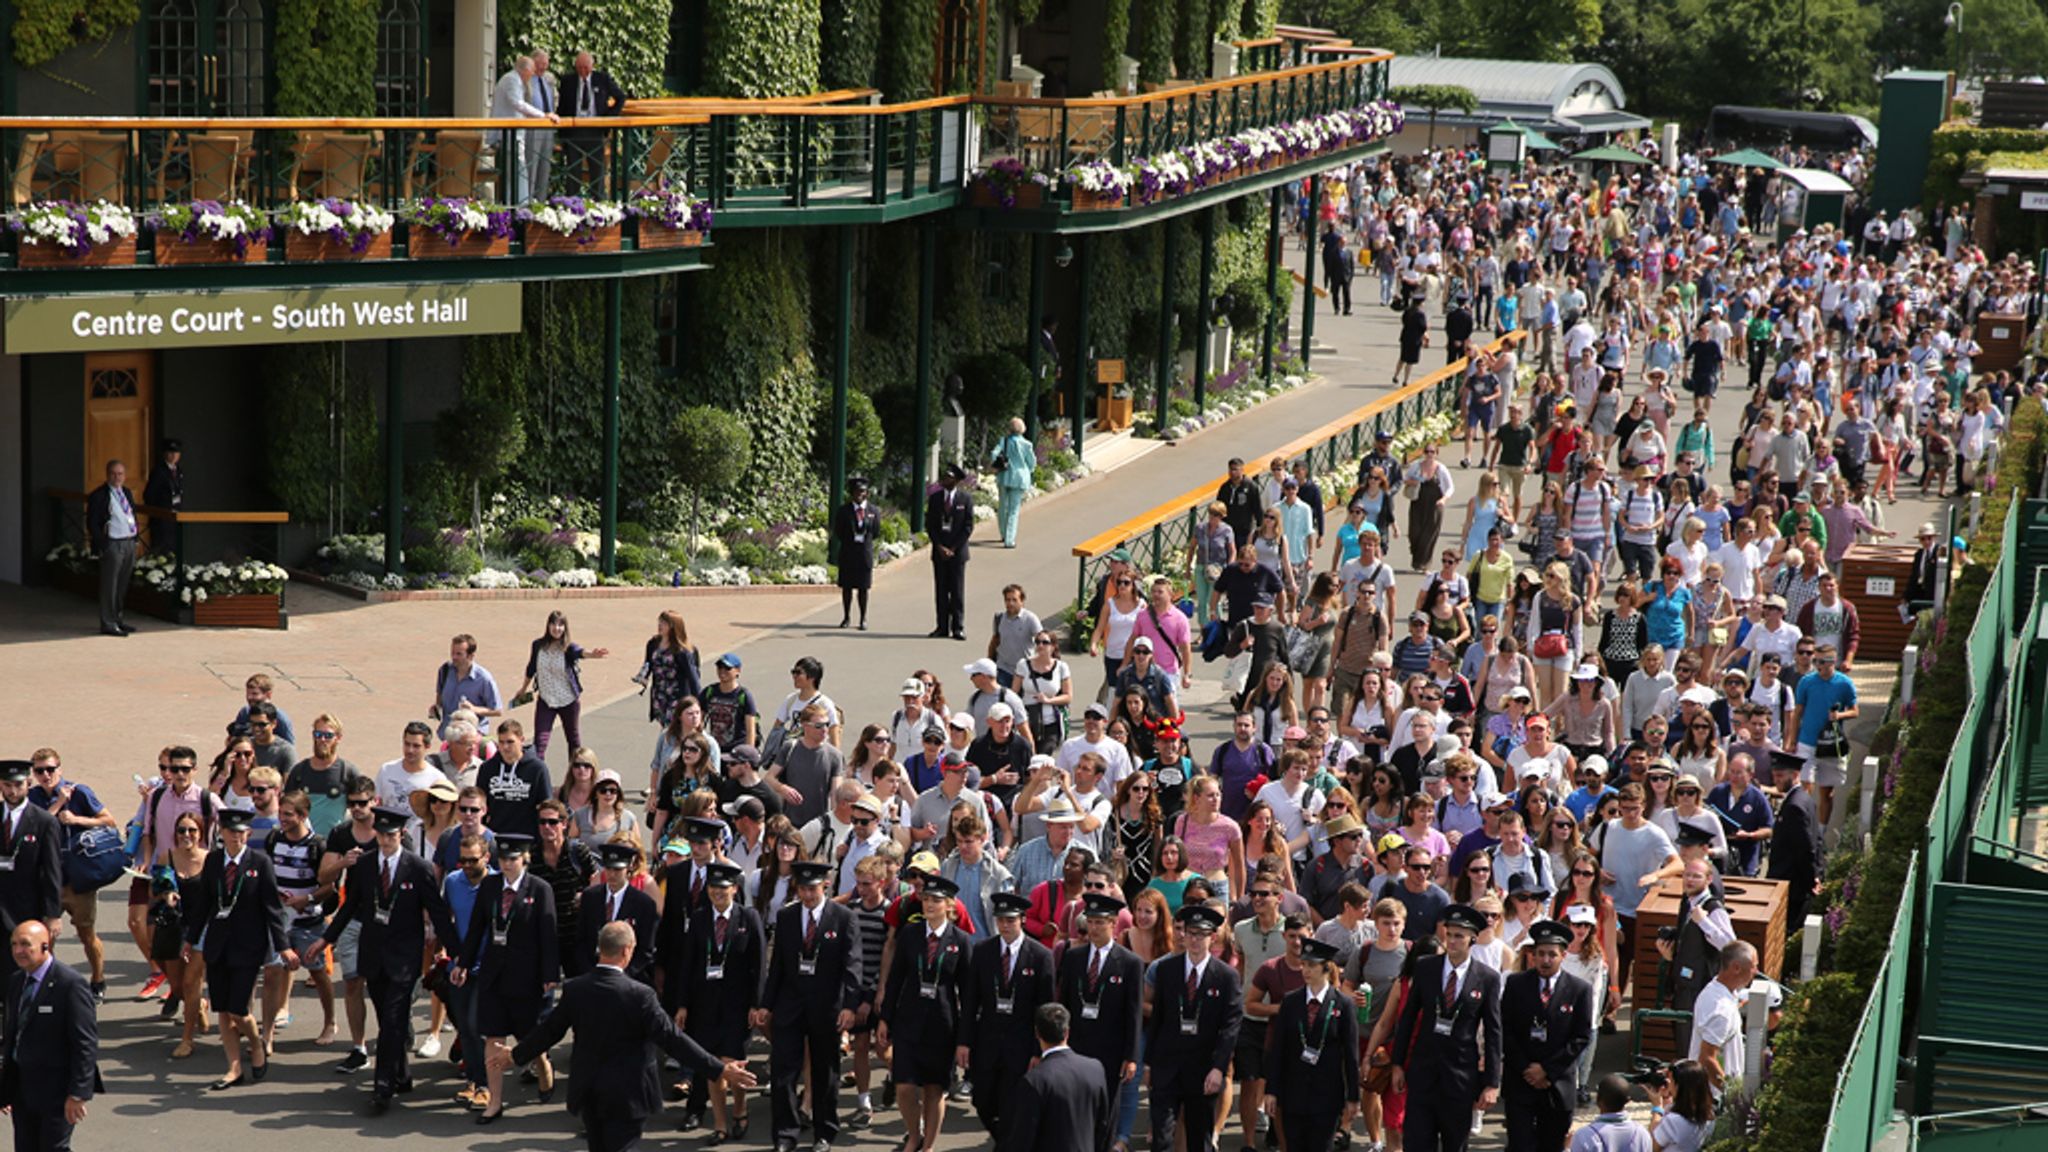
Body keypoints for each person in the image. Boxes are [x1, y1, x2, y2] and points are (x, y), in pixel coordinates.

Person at [494, 920, 757, 1152]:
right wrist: (720, 1069)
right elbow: (673, 1040)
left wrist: (516, 1055)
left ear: (600, 948)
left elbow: (549, 1031)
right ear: (627, 951)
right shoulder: (640, 995)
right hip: (628, 1095)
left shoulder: (576, 989)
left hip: (589, 1092)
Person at [304, 804, 459, 1114]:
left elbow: (438, 914)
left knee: (391, 1020)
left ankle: (382, 1087)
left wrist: (457, 952)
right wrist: (325, 939)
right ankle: (401, 1074)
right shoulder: (363, 866)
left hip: (404, 957)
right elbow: (350, 907)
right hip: (373, 953)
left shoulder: (418, 868)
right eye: (381, 833)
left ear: (401, 834)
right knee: (390, 1019)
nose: (385, 840)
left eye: (391, 834)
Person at [179, 807, 291, 1091]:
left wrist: (283, 948)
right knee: (223, 1011)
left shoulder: (259, 862)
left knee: (239, 1009)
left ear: (248, 834)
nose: (236, 837)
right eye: (231, 832)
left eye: (241, 832)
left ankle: (255, 1044)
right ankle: (233, 1067)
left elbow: (273, 909)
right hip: (218, 944)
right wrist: (191, 939)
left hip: (248, 945)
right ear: (223, 834)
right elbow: (204, 903)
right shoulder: (214, 861)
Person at [758, 859, 864, 1152]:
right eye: (802, 889)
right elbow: (777, 964)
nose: (807, 895)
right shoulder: (787, 917)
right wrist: (767, 1004)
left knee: (825, 1072)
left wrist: (849, 1006)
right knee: (783, 1072)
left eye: (812, 889)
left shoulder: (843, 918)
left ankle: (824, 1132)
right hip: (790, 1005)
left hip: (827, 1006)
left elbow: (852, 965)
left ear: (826, 885)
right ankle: (785, 1134)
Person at [453, 833, 559, 1123]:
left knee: (529, 1035)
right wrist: (463, 962)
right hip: (493, 974)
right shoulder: (489, 885)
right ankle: (495, 1101)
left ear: (524, 858)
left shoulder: (540, 889)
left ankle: (543, 1065)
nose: (508, 864)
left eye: (513, 859)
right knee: (494, 1036)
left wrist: (550, 974)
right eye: (503, 859)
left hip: (526, 976)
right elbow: (477, 928)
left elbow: (548, 935)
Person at [1389, 903, 1503, 1152]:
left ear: (1472, 938)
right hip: (1423, 1071)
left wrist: (1492, 1082)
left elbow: (1494, 1032)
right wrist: (1397, 1063)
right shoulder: (1426, 967)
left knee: (1455, 1144)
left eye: (1459, 936)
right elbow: (1408, 1017)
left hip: (1460, 1076)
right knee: (1417, 1142)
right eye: (1449, 934)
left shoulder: (1487, 978)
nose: (1452, 941)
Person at [879, 872, 970, 1151]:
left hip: (942, 1024)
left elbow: (968, 995)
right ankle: (913, 1134)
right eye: (926, 899)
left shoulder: (961, 941)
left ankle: (928, 1145)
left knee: (934, 1088)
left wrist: (964, 1039)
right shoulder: (910, 934)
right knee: (905, 1086)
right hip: (909, 1020)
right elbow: (896, 978)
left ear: (949, 905)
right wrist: (885, 1018)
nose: (929, 905)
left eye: (936, 900)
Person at [1145, 902, 1243, 1152]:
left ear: (1212, 937)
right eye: (1190, 933)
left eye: (1201, 934)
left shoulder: (1225, 976)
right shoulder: (1166, 970)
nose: (1195, 940)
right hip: (1167, 1065)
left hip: (1202, 1069)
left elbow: (1230, 1026)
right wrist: (1149, 1062)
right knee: (1162, 1137)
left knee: (1200, 1137)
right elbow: (1157, 1018)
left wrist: (1219, 1067)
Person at [676, 860, 763, 1140]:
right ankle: (720, 1123)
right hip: (705, 1005)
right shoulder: (700, 918)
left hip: (737, 1007)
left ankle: (740, 1107)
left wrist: (756, 1003)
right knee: (714, 1066)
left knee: (733, 1063)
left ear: (734, 889)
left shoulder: (748, 918)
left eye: (723, 889)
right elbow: (687, 964)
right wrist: (682, 1004)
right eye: (713, 888)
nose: (718, 893)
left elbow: (759, 964)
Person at [960, 890, 1056, 1141]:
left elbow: (1044, 1008)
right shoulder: (982, 951)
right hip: (987, 1041)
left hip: (1021, 1043)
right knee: (983, 1100)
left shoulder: (1040, 956)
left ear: (1022, 919)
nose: (1004, 925)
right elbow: (970, 1001)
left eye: (1010, 920)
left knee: (1013, 1103)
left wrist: (1039, 1050)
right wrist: (964, 1042)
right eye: (1000, 919)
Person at [1, 921, 99, 1151]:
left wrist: (78, 1093)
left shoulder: (70, 984)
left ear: (46, 946)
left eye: (26, 945)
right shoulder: (16, 982)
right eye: (14, 944)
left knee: (54, 1147)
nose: (18, 951)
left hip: (57, 1090)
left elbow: (85, 1042)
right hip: (23, 1089)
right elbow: (13, 1035)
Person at [26, 750, 114, 999]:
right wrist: (57, 806)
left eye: (50, 769)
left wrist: (78, 819)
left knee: (86, 934)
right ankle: (45, 985)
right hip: (47, 879)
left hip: (78, 878)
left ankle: (98, 980)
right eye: (39, 771)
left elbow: (109, 821)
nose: (46, 775)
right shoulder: (31, 798)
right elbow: (32, 828)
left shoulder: (80, 792)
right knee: (45, 937)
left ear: (60, 770)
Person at [1500, 920, 1594, 1152]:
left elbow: (1580, 1037)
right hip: (1521, 1081)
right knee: (1520, 1145)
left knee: (1551, 1145)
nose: (1545, 960)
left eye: (1552, 954)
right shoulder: (1516, 983)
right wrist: (1527, 1068)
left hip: (1557, 1085)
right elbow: (1505, 1029)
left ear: (1563, 955)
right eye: (1540, 953)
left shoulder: (1579, 989)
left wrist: (1547, 1070)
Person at [1265, 935, 1361, 1152]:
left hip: (1327, 1095)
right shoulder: (1291, 1001)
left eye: (1312, 966)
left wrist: (1353, 1096)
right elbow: (1278, 1048)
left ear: (1326, 968)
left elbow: (1351, 1053)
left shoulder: (1343, 1004)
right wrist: (1271, 1090)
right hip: (1293, 1093)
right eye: (1303, 965)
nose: (1305, 970)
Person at [1059, 892, 1144, 1112]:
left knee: (1105, 1108)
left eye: (1100, 922)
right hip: (1077, 1045)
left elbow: (1133, 1012)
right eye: (1090, 921)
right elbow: (1064, 1002)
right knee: (1075, 1106)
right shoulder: (1073, 957)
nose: (1094, 928)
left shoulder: (1129, 963)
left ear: (1114, 923)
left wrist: (1131, 1056)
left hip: (1110, 1049)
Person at [1004, 1002, 1112, 1152]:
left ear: (1037, 1033)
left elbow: (1023, 1138)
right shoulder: (1095, 1068)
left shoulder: (1034, 1080)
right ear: (1067, 1032)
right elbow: (1103, 1125)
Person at [512, 610, 610, 759]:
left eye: (560, 625)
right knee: (540, 743)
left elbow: (580, 652)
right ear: (548, 625)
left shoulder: (568, 647)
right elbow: (531, 668)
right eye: (553, 624)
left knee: (573, 741)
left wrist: (592, 654)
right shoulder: (538, 645)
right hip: (546, 700)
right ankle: (539, 778)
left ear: (565, 628)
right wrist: (523, 689)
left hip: (568, 701)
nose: (556, 628)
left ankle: (576, 777)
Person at [0, 760, 63, 940]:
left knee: (23, 961)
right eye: (7, 785)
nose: (13, 791)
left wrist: (53, 914)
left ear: (28, 783)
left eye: (18, 785)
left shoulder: (44, 822)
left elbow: (52, 870)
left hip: (26, 908)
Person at [1686, 941, 1755, 1101]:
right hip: (1715, 1100)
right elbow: (1707, 1058)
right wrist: (1731, 1095)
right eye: (1753, 966)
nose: (1756, 971)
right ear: (1736, 967)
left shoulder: (1714, 990)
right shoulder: (1722, 1012)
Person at [1765, 750, 1821, 929]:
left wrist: (1812, 879)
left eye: (1780, 775)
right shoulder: (1803, 799)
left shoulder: (1795, 806)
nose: (1776, 780)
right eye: (1774, 775)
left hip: (1792, 884)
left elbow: (1806, 848)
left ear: (1795, 775)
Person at [489, 56, 556, 202]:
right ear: (525, 70)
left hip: (514, 135)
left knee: (518, 172)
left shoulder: (515, 80)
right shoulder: (512, 80)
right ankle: (515, 206)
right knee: (516, 172)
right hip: (507, 135)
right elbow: (518, 104)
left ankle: (519, 205)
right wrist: (543, 115)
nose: (532, 75)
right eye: (531, 71)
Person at [557, 50, 628, 189]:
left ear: (592, 66)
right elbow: (562, 107)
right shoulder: (568, 81)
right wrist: (562, 131)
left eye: (586, 67)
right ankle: (572, 202)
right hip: (574, 130)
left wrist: (608, 118)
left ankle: (599, 203)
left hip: (595, 130)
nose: (583, 71)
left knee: (597, 171)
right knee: (573, 171)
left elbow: (620, 97)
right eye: (579, 67)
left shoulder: (602, 79)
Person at [87, 458, 141, 636]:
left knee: (122, 583)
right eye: (114, 474)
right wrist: (102, 544)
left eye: (120, 474)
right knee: (110, 585)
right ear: (107, 474)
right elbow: (92, 522)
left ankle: (118, 619)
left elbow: (131, 514)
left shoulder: (126, 492)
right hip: (112, 543)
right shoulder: (99, 495)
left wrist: (135, 537)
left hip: (128, 542)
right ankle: (108, 623)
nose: (117, 477)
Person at [928, 464, 976, 640]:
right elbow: (931, 526)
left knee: (956, 591)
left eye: (948, 477)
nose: (944, 479)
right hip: (940, 552)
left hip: (957, 552)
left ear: (956, 480)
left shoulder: (965, 499)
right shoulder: (935, 499)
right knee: (941, 590)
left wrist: (953, 548)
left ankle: (958, 627)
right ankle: (941, 626)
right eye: (943, 476)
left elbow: (968, 526)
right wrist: (939, 546)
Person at [833, 476, 883, 629]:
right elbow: (839, 531)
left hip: (864, 554)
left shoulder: (873, 511)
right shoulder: (844, 511)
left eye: (862, 491)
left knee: (863, 588)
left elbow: (875, 531)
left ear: (867, 493)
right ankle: (846, 617)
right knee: (847, 588)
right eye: (856, 491)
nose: (859, 494)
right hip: (848, 553)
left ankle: (863, 618)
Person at [430, 635, 503, 739]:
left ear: (471, 656)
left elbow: (497, 710)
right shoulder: (445, 670)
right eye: (452, 653)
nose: (454, 657)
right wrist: (436, 708)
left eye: (459, 654)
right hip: (449, 734)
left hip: (472, 737)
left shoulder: (484, 679)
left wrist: (474, 709)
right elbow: (439, 697)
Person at [1567, 1074, 1654, 1152]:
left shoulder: (1584, 1136)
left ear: (1598, 1100)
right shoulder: (1641, 1134)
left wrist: (1566, 1148)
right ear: (1628, 1101)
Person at [993, 417, 1038, 548]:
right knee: (1014, 509)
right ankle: (1009, 539)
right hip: (1019, 478)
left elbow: (994, 454)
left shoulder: (1004, 441)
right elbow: (1032, 462)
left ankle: (1002, 533)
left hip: (1004, 476)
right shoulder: (1026, 444)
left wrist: (998, 464)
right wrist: (1028, 470)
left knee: (1002, 506)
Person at [143, 436, 184, 547]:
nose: (174, 455)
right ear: (165, 453)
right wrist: (158, 512)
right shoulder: (159, 471)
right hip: (162, 519)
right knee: (162, 549)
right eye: (171, 452)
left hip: (176, 516)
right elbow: (149, 495)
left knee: (175, 547)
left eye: (176, 452)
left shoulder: (178, 470)